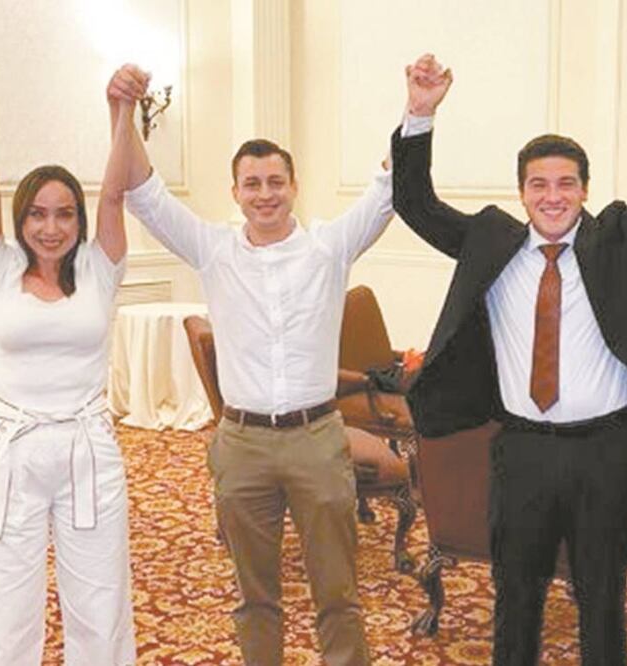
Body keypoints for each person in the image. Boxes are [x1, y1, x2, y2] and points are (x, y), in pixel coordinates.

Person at [391, 35, 627, 665]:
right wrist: (420, 113)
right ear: (522, 192)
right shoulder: (490, 242)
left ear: (584, 189)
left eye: (566, 184)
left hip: (605, 452)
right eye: (539, 184)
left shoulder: (618, 240)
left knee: (603, 601)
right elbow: (415, 203)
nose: (553, 196)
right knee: (516, 598)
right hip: (521, 450)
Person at [107, 61, 395, 665]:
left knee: (338, 593)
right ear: (235, 192)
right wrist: (124, 112)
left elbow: (388, 190)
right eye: (252, 183)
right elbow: (144, 194)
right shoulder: (213, 250)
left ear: (294, 186)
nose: (265, 194)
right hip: (241, 444)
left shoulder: (328, 248)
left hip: (317, 438)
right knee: (254, 595)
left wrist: (417, 113)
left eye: (275, 181)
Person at [0, 54, 136, 664]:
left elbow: (115, 192)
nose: (51, 227)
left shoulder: (99, 268)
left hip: (89, 451)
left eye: (64, 213)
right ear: (21, 219)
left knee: (100, 604)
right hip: (12, 453)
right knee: (2, 607)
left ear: (79, 220)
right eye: (37, 213)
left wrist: (122, 112)